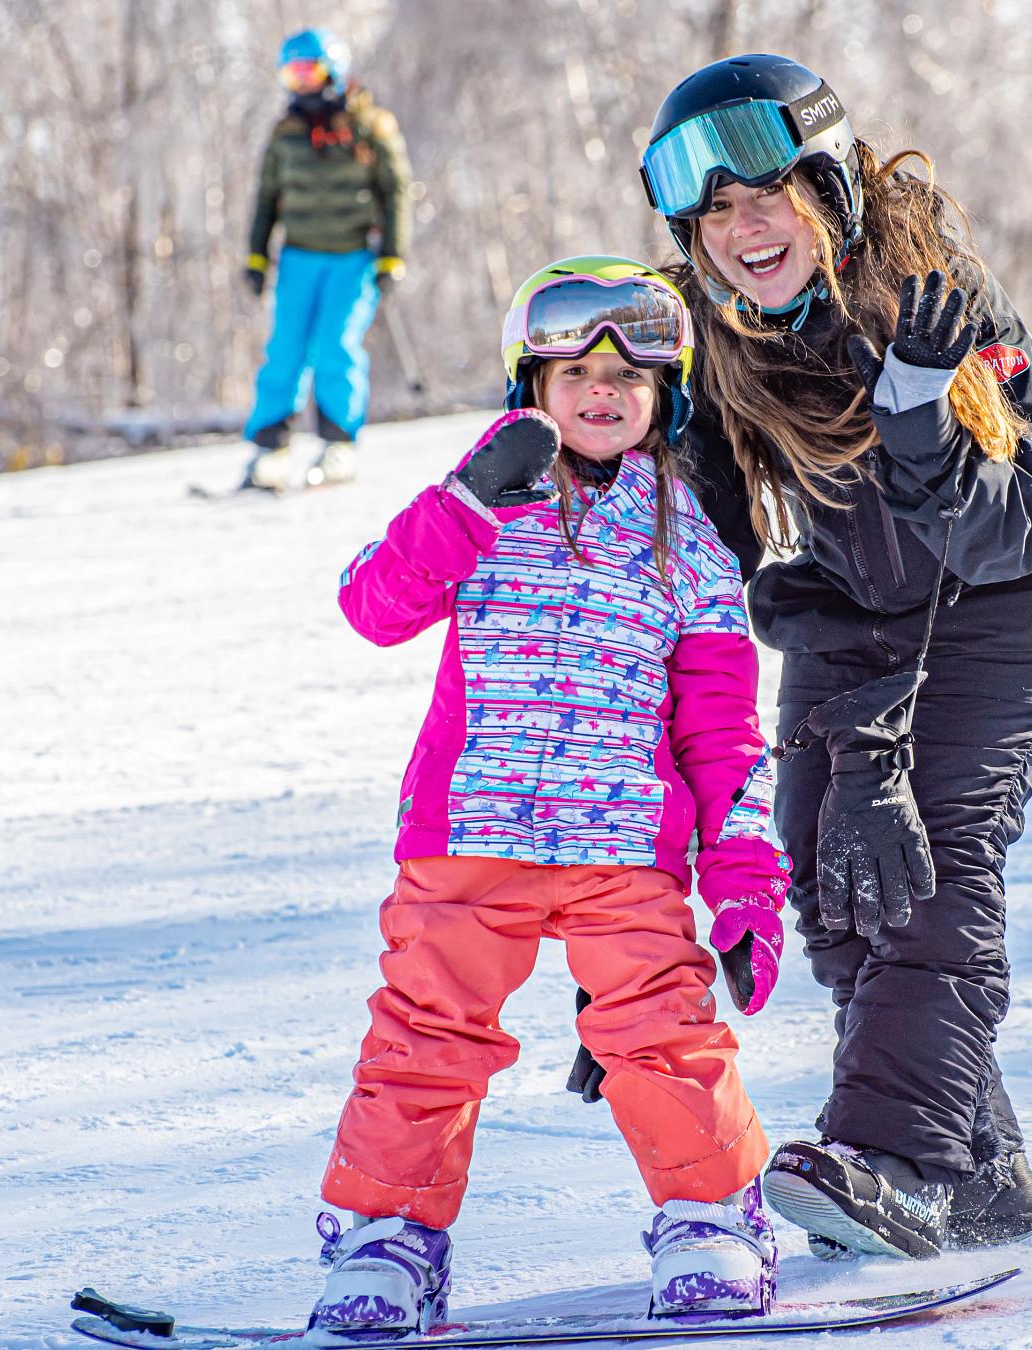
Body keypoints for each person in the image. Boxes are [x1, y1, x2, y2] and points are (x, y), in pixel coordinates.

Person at [636, 54, 1032, 1262]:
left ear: (830, 193)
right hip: (864, 596)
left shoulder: (930, 295)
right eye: (716, 214)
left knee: (935, 857)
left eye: (769, 199)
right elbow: (715, 551)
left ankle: (896, 1156)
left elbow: (1010, 528)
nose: (745, 231)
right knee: (835, 876)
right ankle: (977, 1173)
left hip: (1022, 585)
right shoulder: (712, 337)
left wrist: (917, 401)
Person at [309, 257, 791, 1337]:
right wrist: (467, 502)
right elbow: (372, 606)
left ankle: (712, 1215)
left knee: (661, 1032)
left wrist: (748, 885)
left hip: (625, 849)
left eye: (629, 372)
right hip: (470, 837)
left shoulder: (693, 548)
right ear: (532, 381)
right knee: (425, 1036)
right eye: (573, 367)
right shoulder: (477, 499)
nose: (601, 389)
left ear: (664, 394)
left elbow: (723, 736)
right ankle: (387, 1237)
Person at [236, 28, 411, 492]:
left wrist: (393, 256)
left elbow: (396, 192)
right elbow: (267, 196)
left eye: (308, 72)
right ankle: (271, 448)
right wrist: (256, 255)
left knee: (336, 348)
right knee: (285, 350)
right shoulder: (285, 133)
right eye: (291, 75)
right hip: (298, 258)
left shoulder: (371, 126)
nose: (302, 84)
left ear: (333, 69)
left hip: (352, 260)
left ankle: (339, 445)